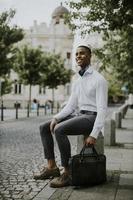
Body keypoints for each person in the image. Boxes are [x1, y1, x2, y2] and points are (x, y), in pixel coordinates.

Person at [34, 44, 108, 188]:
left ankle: (68, 173)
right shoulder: (77, 80)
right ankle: (52, 167)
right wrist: (57, 118)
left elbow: (102, 109)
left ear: (89, 56)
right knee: (44, 127)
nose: (78, 56)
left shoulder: (99, 80)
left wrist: (94, 134)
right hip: (80, 115)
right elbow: (71, 105)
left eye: (82, 53)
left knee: (59, 130)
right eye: (76, 54)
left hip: (92, 118)